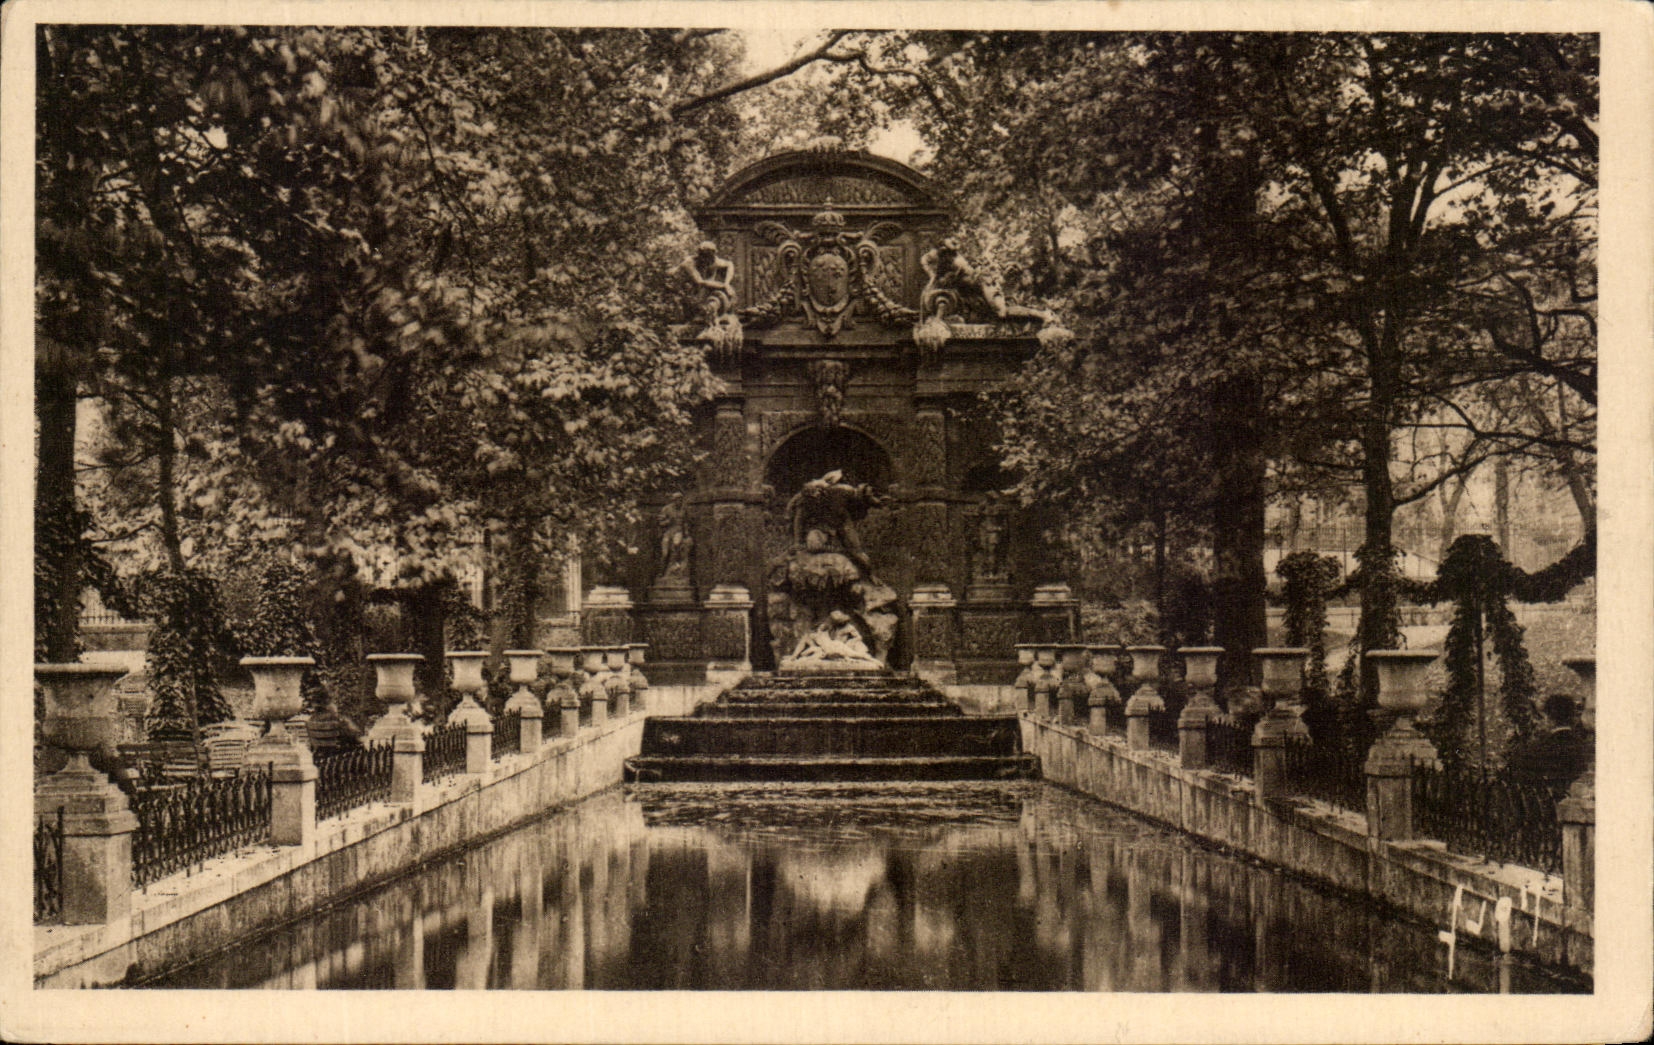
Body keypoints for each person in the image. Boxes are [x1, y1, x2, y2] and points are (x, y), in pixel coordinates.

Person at [1506, 693, 1592, 797]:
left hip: (1548, 802)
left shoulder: (1540, 748)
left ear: (1549, 719)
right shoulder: (1584, 746)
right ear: (1572, 717)